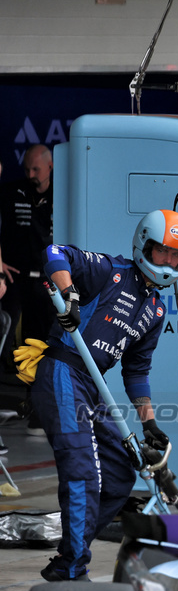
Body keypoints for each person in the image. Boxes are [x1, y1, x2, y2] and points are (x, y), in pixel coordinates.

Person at [25, 209, 178, 580]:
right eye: (162, 251)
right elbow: (54, 253)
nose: (168, 260)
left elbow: (137, 372)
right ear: (144, 246)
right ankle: (73, 567)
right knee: (83, 472)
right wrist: (69, 296)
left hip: (92, 386)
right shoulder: (110, 271)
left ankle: (70, 552)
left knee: (118, 475)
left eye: (175, 255)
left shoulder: (156, 310)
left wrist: (150, 425)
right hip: (63, 371)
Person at [2, 145, 55, 433]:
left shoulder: (64, 193)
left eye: (36, 169)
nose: (31, 174)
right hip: (13, 279)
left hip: (47, 282)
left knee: (41, 345)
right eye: (27, 169)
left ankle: (37, 408)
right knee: (8, 340)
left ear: (50, 167)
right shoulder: (13, 192)